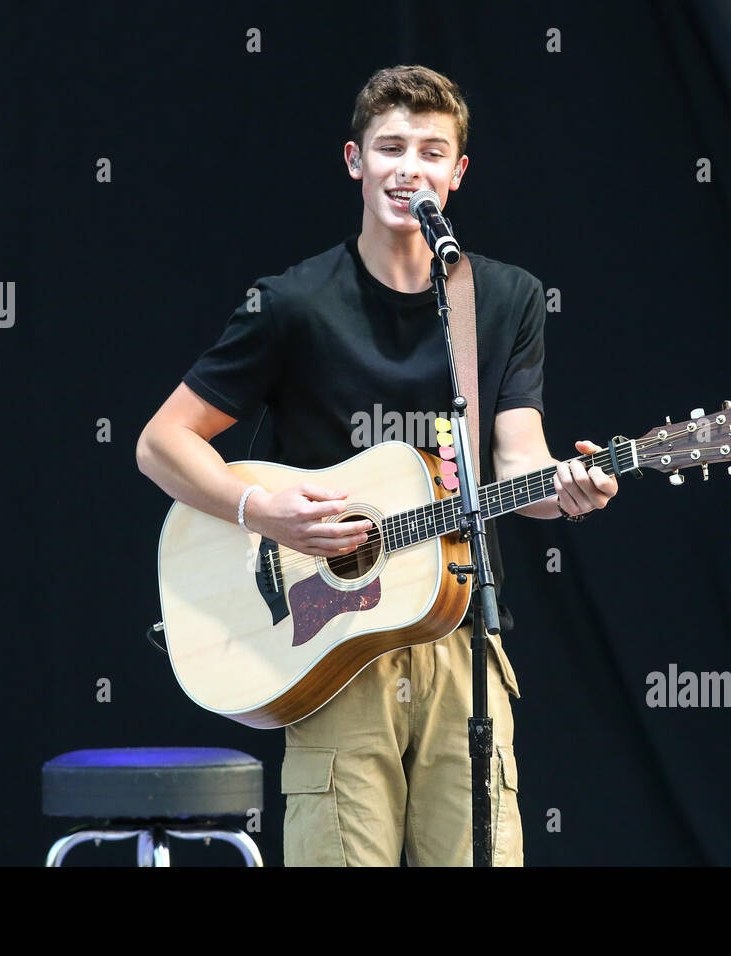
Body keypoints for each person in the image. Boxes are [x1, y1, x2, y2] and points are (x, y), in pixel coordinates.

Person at [136, 65, 617, 866]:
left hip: (459, 633)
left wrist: (569, 491)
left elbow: (520, 462)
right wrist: (264, 512)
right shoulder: (292, 303)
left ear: (457, 174)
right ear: (355, 160)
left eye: (433, 151)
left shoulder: (505, 299)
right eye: (390, 147)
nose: (410, 168)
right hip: (332, 644)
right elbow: (162, 442)